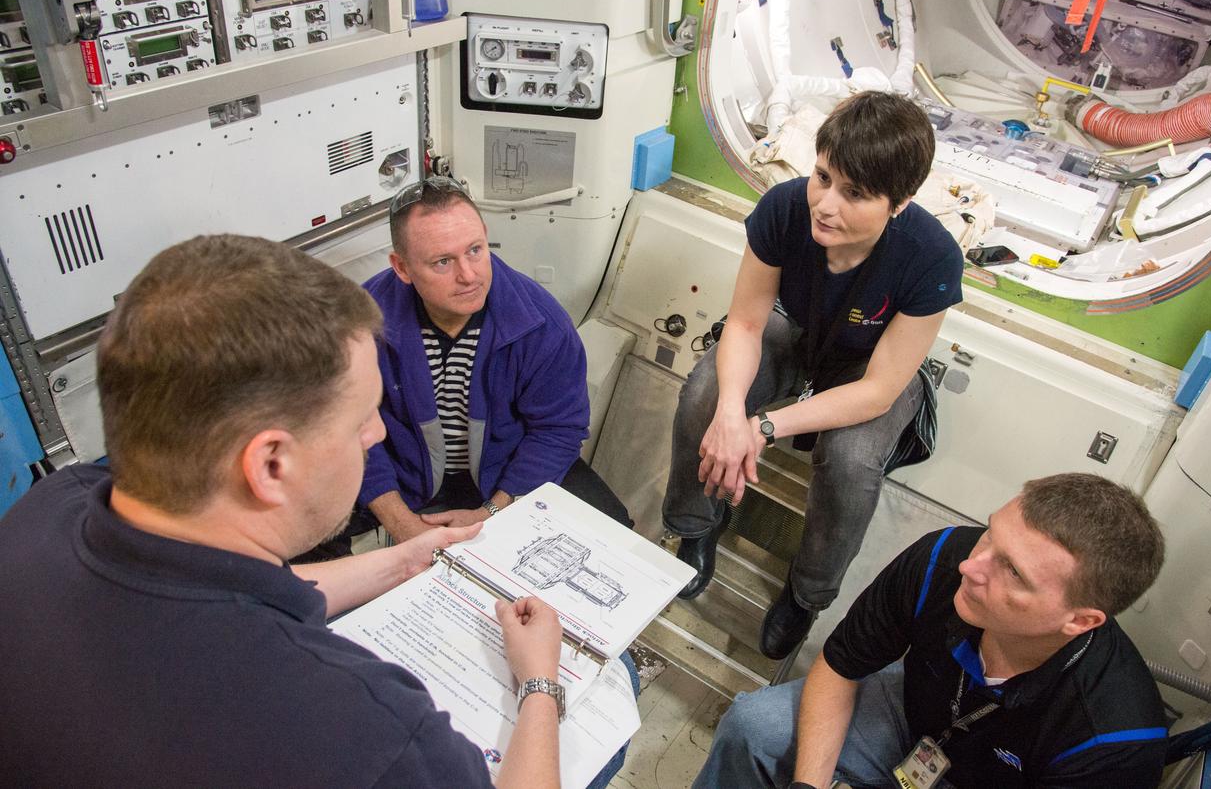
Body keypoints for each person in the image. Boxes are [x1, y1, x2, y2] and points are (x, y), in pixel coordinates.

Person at [0, 235, 569, 787]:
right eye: (360, 420)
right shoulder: (370, 732)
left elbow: (221, 587)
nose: (377, 434)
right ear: (270, 464)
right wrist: (541, 683)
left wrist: (403, 561)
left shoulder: (54, 502)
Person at [662, 91, 964, 658]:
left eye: (855, 194)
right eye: (823, 177)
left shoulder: (932, 257)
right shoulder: (784, 209)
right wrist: (730, 414)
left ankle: (807, 595)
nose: (826, 205)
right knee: (705, 394)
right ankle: (695, 528)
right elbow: (745, 323)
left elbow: (878, 390)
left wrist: (762, 427)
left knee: (851, 460)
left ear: (899, 204)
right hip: (794, 326)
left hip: (868, 364)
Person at [694, 473, 1170, 789]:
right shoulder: (943, 558)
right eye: (990, 534)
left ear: (1080, 621)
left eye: (1013, 571)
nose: (971, 567)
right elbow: (841, 668)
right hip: (911, 715)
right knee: (754, 726)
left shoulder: (1115, 741)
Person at [307, 176, 629, 560]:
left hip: (503, 470)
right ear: (402, 267)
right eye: (443, 261)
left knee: (614, 532)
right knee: (299, 525)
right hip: (400, 474)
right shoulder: (358, 324)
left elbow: (558, 430)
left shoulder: (542, 325)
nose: (468, 275)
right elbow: (346, 429)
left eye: (475, 250)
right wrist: (400, 522)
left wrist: (494, 511)